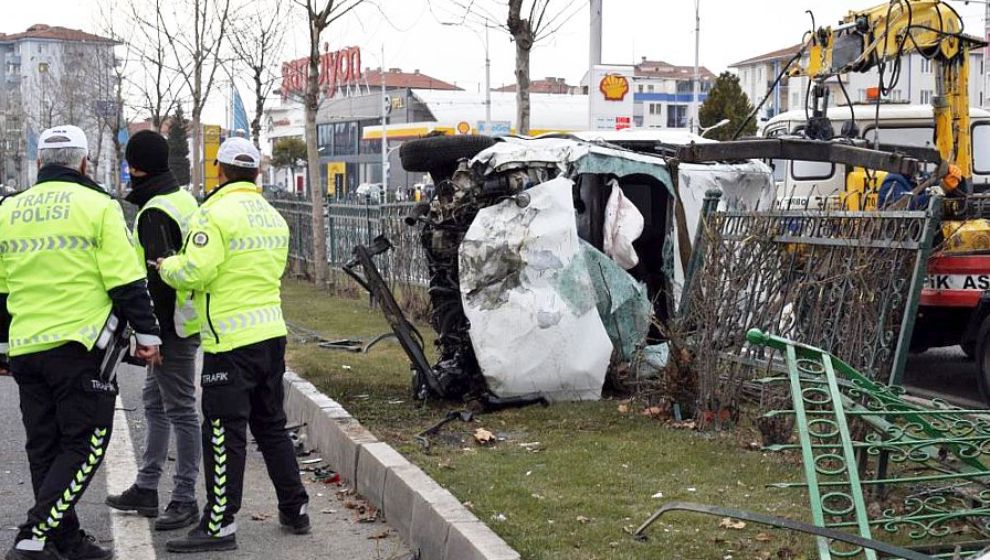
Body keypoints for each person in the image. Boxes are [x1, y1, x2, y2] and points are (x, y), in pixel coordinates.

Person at [1, 125, 162, 560]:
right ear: (84, 163)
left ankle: (65, 539)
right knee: (87, 444)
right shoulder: (99, 206)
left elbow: (0, 289)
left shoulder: (10, 210)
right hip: (79, 346)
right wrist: (147, 336)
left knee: (45, 447)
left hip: (27, 349)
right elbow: (127, 281)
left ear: (39, 163)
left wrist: (2, 347)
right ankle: (34, 537)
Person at [159, 137, 309, 553]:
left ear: (219, 171)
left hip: (229, 341)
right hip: (270, 335)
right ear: (257, 173)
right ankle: (295, 509)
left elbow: (196, 271)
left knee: (224, 432)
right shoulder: (273, 217)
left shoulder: (213, 214)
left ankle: (220, 523)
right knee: (271, 424)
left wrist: (166, 265)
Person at [105, 131, 202, 531]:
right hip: (186, 318)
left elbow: (158, 280)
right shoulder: (181, 199)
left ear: (134, 166)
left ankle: (184, 498)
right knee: (155, 403)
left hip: (172, 327)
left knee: (180, 410)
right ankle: (147, 486)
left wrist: (153, 338)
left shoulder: (154, 212)